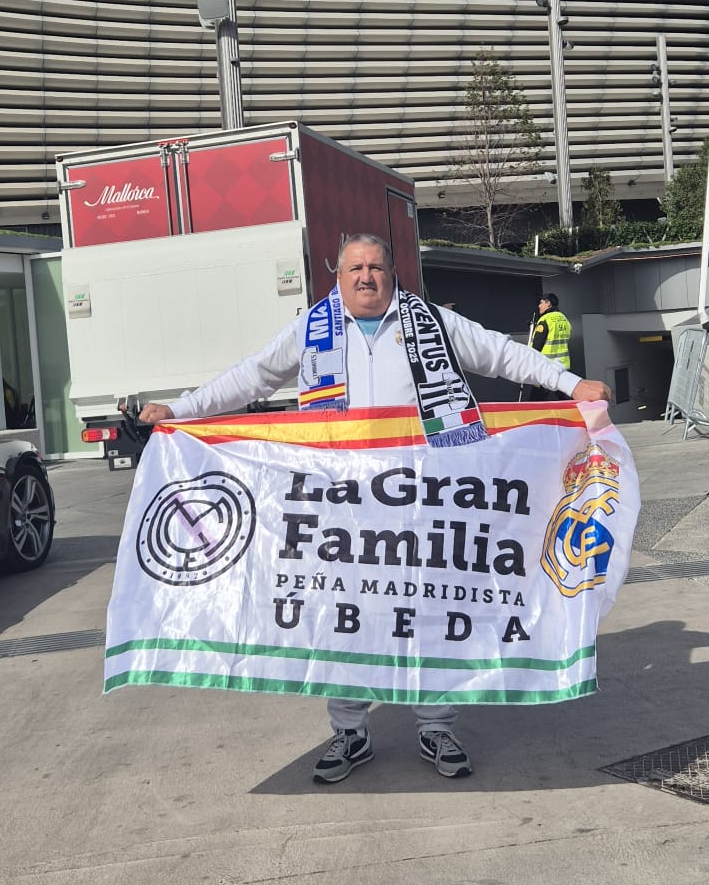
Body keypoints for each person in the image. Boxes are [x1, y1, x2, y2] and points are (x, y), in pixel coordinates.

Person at [138, 234, 610, 786]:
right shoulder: (311, 329)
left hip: (422, 502)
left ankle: (437, 727)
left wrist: (571, 383)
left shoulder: (430, 322)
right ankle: (350, 731)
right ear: (337, 278)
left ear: (393, 273)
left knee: (428, 610)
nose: (367, 276)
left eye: (377, 267)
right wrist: (182, 409)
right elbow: (253, 375)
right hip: (341, 508)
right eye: (355, 268)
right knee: (344, 615)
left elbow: (501, 354)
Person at [531, 292, 571, 372]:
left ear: (548, 303)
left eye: (541, 303)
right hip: (563, 366)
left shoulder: (545, 319)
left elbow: (536, 346)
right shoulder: (564, 318)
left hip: (548, 366)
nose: (539, 306)